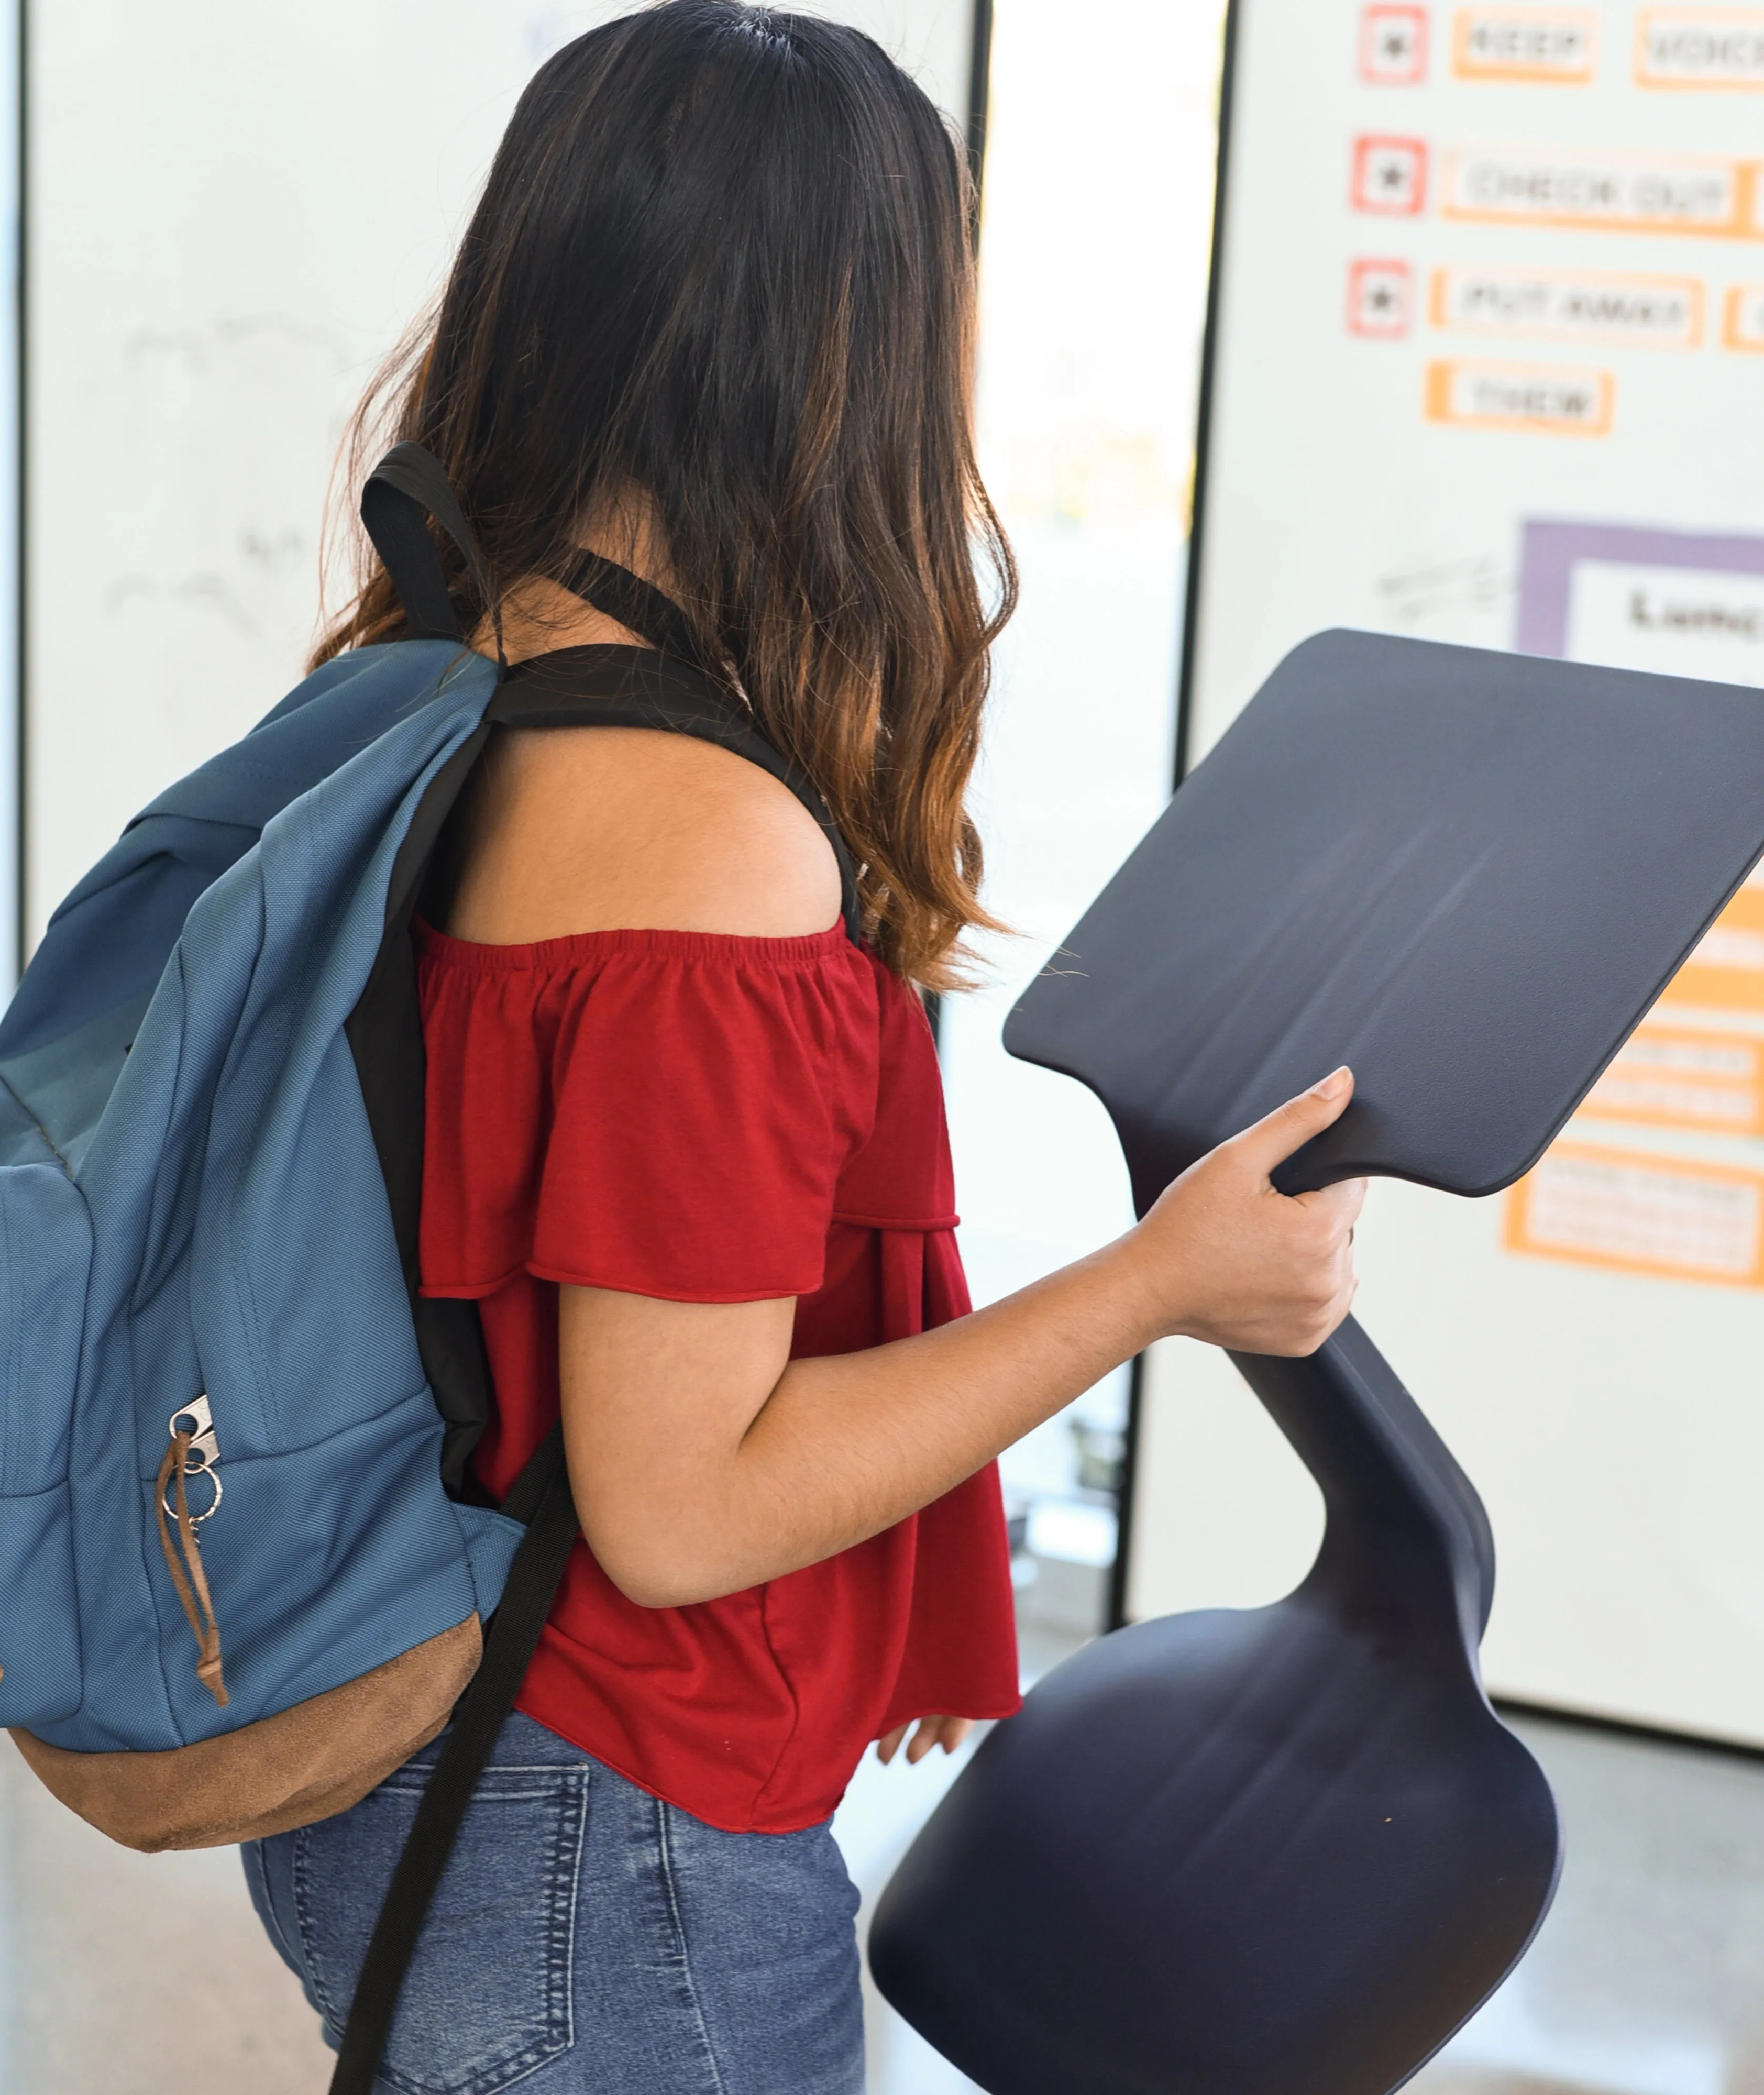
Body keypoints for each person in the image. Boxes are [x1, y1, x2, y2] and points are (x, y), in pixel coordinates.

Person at [241, 5, 1364, 2090]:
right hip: (593, 1826)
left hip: (404, 1750)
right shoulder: (702, 847)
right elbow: (676, 1508)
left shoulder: (435, 676)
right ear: (838, 350)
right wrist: (1159, 1284)